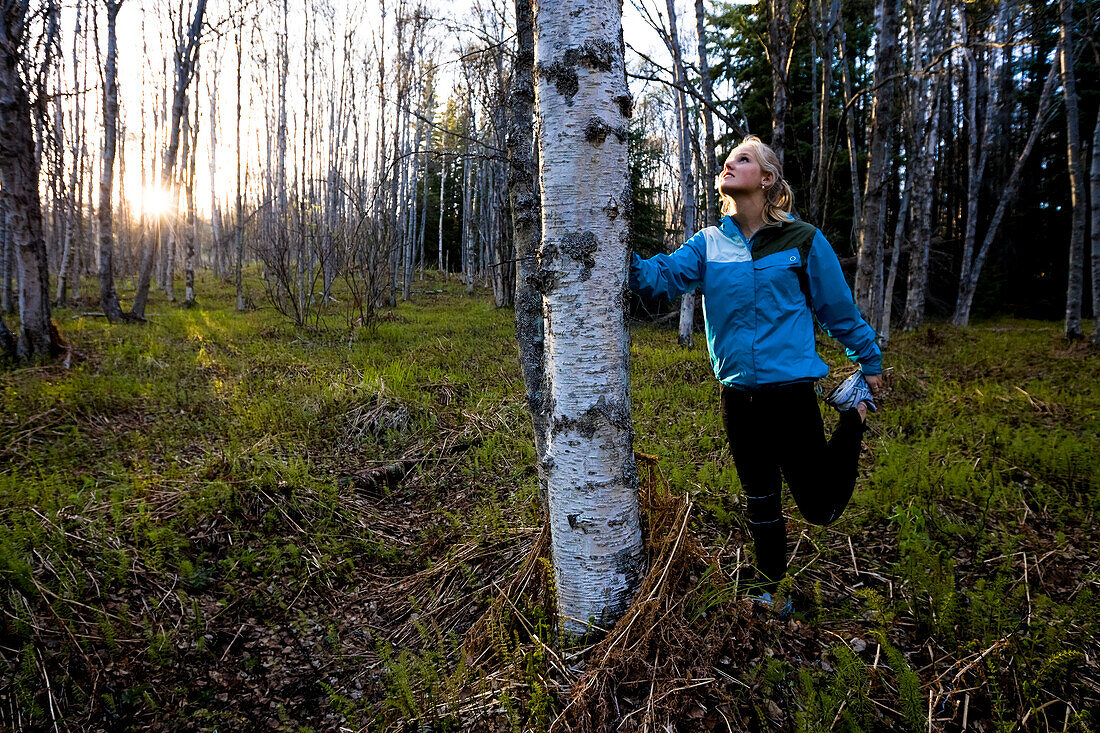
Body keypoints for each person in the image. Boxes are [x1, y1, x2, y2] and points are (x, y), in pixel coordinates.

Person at [629, 135, 883, 603]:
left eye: (742, 160)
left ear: (767, 179)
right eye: (726, 161)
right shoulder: (709, 244)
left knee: (820, 508)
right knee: (761, 498)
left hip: (791, 393)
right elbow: (658, 278)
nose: (729, 165)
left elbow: (836, 309)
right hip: (737, 396)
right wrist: (613, 249)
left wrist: (867, 359)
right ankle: (772, 588)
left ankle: (855, 414)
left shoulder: (801, 240)